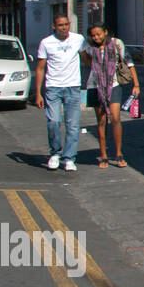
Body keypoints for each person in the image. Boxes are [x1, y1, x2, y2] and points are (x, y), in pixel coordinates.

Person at [33, 15, 86, 171]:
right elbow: (40, 68)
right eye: (60, 25)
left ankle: (69, 158)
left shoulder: (79, 39)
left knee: (73, 125)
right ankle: (55, 153)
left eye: (66, 24)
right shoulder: (46, 43)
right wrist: (38, 93)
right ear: (54, 26)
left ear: (69, 25)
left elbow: (86, 58)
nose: (63, 27)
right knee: (54, 121)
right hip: (53, 87)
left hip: (73, 86)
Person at [85, 23, 140, 169]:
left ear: (105, 32)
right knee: (101, 121)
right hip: (94, 85)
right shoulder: (89, 47)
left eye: (99, 34)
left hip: (113, 84)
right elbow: (87, 62)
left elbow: (129, 62)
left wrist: (136, 84)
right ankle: (103, 155)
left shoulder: (116, 43)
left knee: (115, 118)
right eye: (93, 35)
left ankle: (118, 153)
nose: (96, 37)